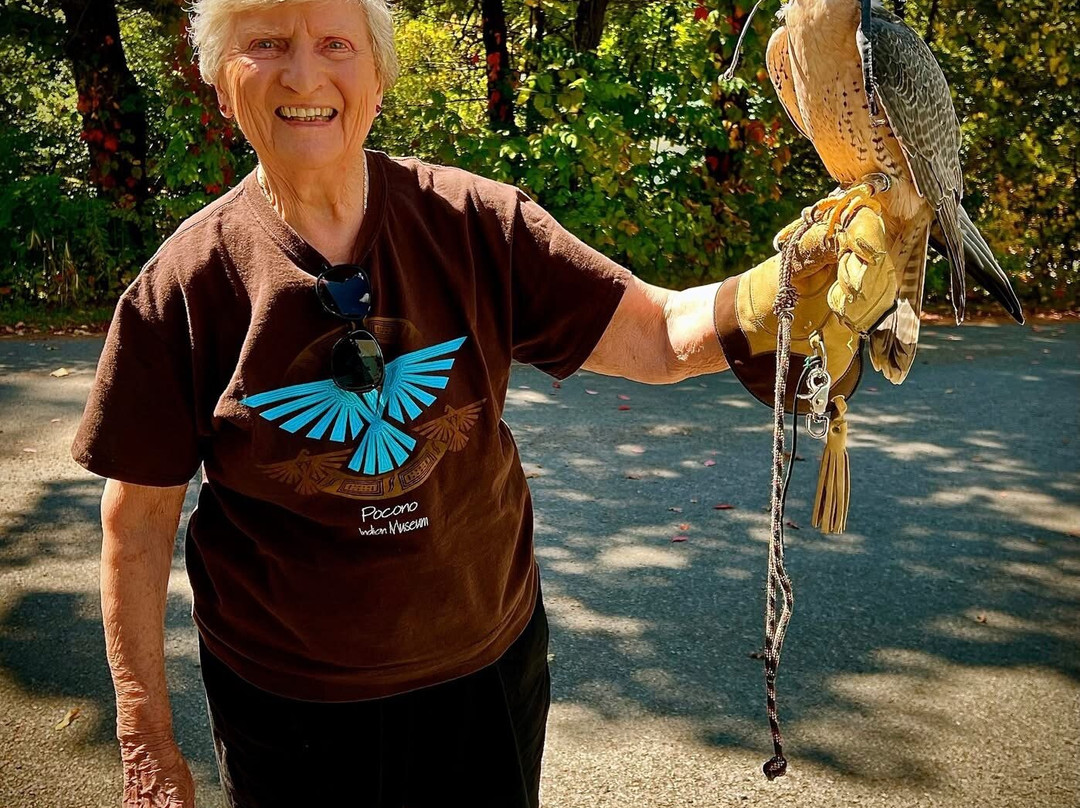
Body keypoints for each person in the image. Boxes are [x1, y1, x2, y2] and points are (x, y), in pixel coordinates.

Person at [71, 0, 897, 805]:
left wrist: (773, 294)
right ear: (220, 79)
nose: (303, 71)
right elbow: (135, 526)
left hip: (484, 675)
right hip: (287, 707)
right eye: (266, 43)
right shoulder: (182, 285)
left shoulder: (478, 222)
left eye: (335, 42)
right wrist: (144, 737)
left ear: (378, 74)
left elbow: (656, 332)